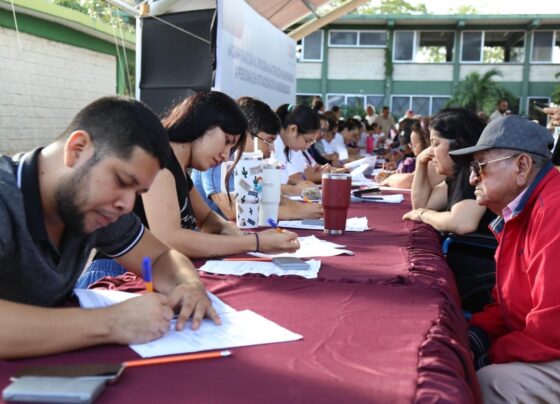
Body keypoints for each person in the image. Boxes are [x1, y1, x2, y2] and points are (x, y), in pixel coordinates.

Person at [0, 96, 219, 359]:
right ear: (77, 150)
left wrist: (189, 285)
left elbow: (161, 256)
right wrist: (112, 322)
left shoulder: (91, 204)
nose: (127, 205)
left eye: (138, 192)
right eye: (122, 180)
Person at [75, 93, 299, 291]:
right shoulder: (160, 164)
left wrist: (228, 229)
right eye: (226, 142)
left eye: (231, 149)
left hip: (152, 273)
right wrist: (254, 242)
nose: (225, 155)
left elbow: (207, 218)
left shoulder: (180, 170)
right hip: (115, 276)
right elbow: (171, 238)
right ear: (203, 124)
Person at [448, 116, 560, 402]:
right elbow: (507, 305)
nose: (472, 178)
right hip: (544, 342)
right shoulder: (521, 210)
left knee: (490, 382)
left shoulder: (554, 210)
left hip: (551, 343)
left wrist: (486, 357)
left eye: (480, 166)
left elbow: (552, 327)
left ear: (522, 166)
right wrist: (475, 337)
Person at [192, 97, 322, 221]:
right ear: (247, 133)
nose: (271, 150)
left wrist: (307, 208)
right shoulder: (219, 157)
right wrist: (296, 212)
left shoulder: (250, 161)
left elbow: (268, 195)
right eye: (268, 141)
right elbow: (232, 210)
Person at [402, 108, 495, 234]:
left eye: (435, 144)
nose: (429, 152)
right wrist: (420, 162)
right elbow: (420, 206)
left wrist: (424, 214)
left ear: (459, 144)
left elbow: (462, 223)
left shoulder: (472, 172)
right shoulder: (457, 174)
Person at [377, 120, 444, 189]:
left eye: (414, 146)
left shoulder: (434, 161)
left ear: (427, 144)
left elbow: (411, 181)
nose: (411, 149)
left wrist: (389, 180)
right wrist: (391, 175)